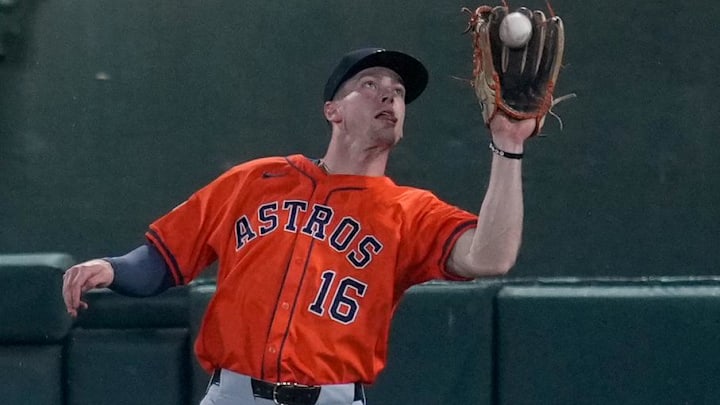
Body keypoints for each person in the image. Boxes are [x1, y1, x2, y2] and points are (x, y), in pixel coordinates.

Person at [62, 47, 535, 405]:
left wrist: (508, 146)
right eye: (369, 83)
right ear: (332, 109)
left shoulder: (410, 211)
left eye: (398, 90)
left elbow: (489, 256)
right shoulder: (255, 180)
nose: (389, 93)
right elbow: (161, 261)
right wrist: (109, 267)